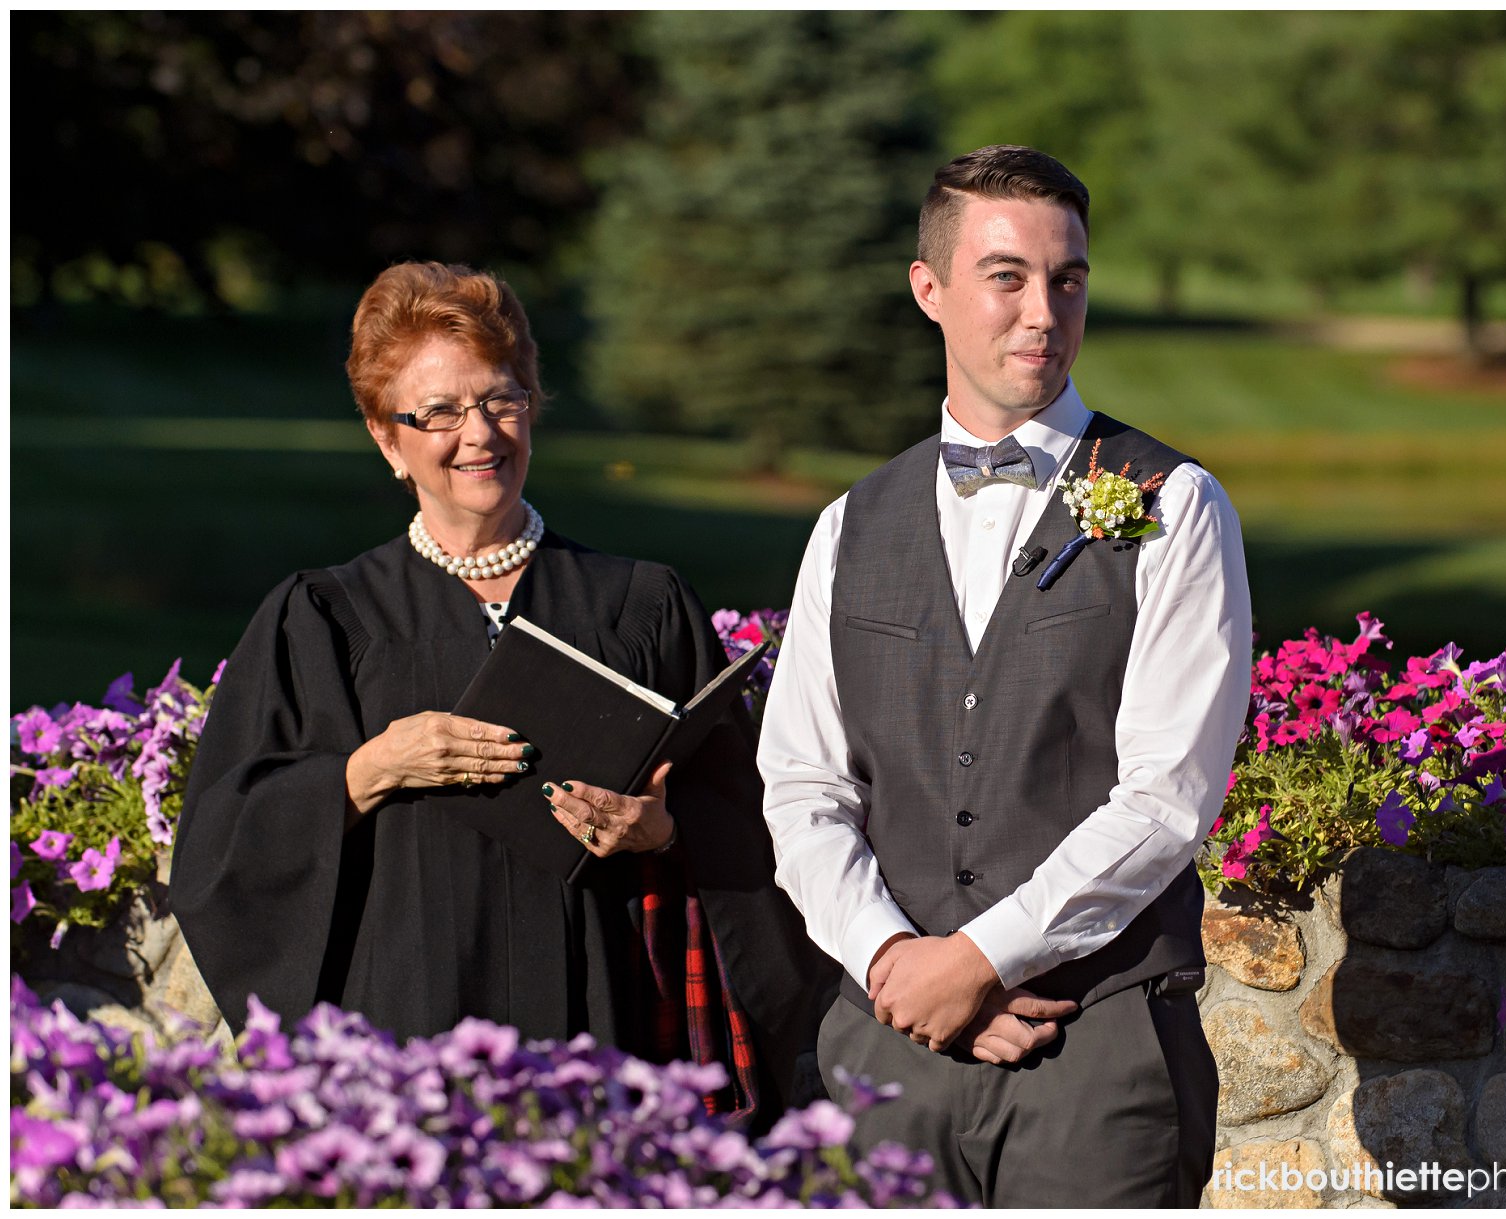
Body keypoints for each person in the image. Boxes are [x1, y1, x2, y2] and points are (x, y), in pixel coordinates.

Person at [169, 261, 830, 1124]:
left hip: (610, 1032)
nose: (479, 433)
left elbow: (753, 823)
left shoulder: (639, 605)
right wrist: (367, 771)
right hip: (401, 1051)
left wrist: (663, 828)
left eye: (501, 399)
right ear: (386, 437)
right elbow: (224, 845)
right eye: (438, 412)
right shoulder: (325, 620)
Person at [758, 146, 1253, 1205]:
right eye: (1007, 277)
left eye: (1067, 279)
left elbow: (1167, 799)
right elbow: (804, 783)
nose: (1043, 312)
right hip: (883, 1053)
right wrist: (896, 963)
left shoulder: (1174, 504)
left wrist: (978, 960)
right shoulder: (849, 527)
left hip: (1101, 1051)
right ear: (929, 290)